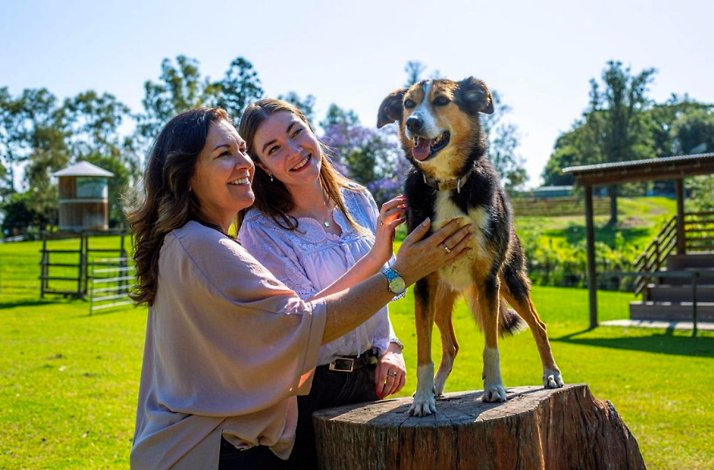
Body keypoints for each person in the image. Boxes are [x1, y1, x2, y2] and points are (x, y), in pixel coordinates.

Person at [128, 106, 472, 470]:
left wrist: (390, 345)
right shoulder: (205, 246)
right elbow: (300, 324)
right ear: (185, 176)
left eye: (241, 149)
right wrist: (400, 272)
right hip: (216, 449)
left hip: (225, 441)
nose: (243, 163)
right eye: (224, 154)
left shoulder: (190, 242)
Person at [237, 98, 409, 468]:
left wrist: (391, 346)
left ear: (310, 129)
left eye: (296, 132)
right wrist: (376, 258)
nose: (295, 151)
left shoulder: (358, 199)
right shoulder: (261, 230)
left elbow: (378, 291)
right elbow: (304, 319)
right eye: (274, 149)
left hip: (371, 383)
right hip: (310, 392)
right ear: (262, 167)